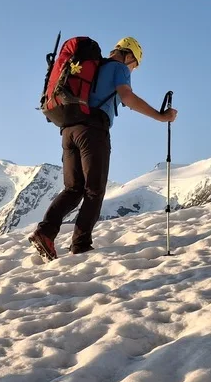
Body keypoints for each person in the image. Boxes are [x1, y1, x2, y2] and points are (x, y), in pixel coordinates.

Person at [29, 37, 178, 260]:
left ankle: (45, 232)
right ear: (129, 56)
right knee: (94, 189)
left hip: (68, 129)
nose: (133, 69)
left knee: (73, 189)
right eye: (134, 64)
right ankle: (80, 244)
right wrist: (160, 116)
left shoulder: (94, 66)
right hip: (93, 130)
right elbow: (127, 96)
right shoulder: (118, 67)